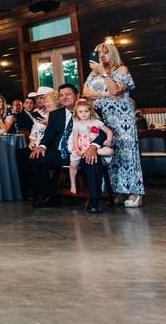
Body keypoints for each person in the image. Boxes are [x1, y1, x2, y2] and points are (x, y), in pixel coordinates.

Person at [83, 42, 144, 208]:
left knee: (127, 155)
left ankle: (134, 192)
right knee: (110, 155)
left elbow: (117, 90)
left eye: (106, 53)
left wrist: (104, 74)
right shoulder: (92, 73)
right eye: (99, 53)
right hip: (103, 118)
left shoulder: (121, 70)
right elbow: (85, 92)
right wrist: (105, 93)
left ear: (113, 54)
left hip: (122, 119)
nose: (102, 56)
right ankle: (117, 190)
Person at [28, 84, 107, 212]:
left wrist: (93, 146)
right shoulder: (55, 114)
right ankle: (49, 196)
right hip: (61, 153)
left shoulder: (89, 111)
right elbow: (49, 134)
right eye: (61, 95)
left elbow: (103, 132)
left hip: (82, 152)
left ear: (76, 96)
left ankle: (94, 200)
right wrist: (41, 146)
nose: (64, 97)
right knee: (36, 158)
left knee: (93, 159)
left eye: (68, 94)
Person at [68, 99, 114, 194]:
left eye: (86, 111)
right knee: (73, 165)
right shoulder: (77, 124)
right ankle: (73, 183)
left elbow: (109, 131)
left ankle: (93, 153)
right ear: (77, 113)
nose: (83, 114)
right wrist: (76, 148)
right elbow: (75, 137)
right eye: (80, 112)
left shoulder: (96, 122)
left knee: (109, 151)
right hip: (81, 147)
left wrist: (108, 140)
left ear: (90, 112)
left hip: (93, 147)